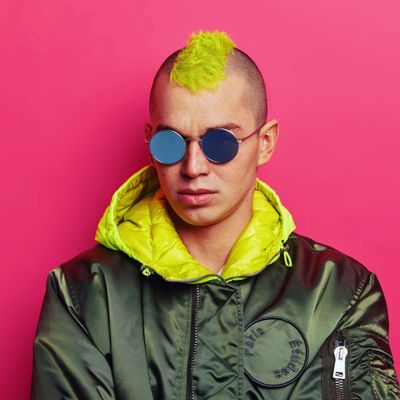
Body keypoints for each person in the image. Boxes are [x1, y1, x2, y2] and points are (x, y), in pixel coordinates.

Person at [31, 31, 399, 399]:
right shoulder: (83, 292)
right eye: (170, 143)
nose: (193, 167)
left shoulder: (338, 292)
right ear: (150, 140)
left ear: (265, 142)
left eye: (220, 143)